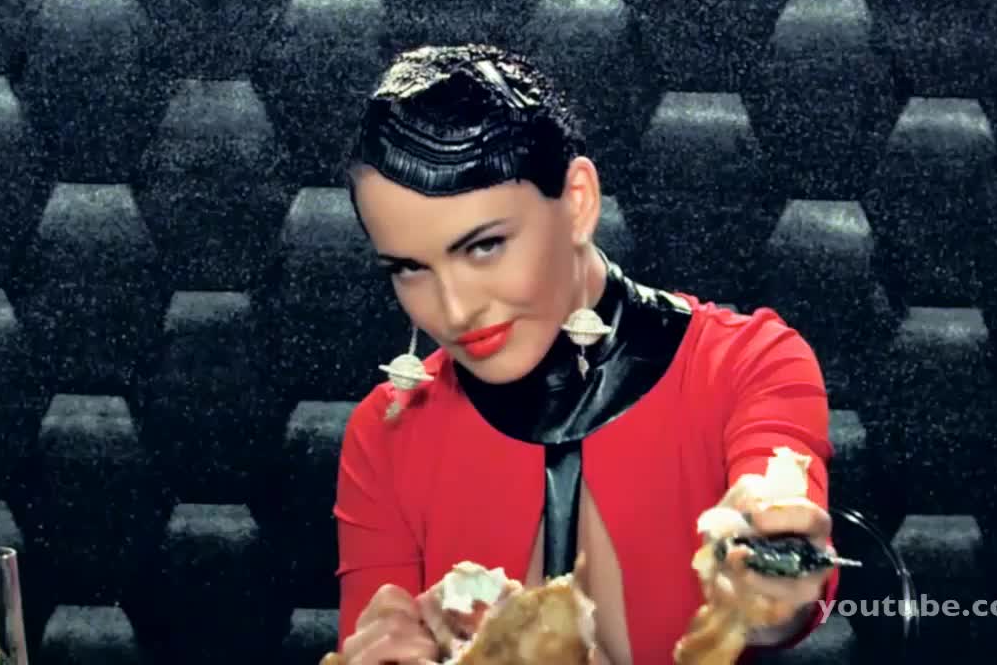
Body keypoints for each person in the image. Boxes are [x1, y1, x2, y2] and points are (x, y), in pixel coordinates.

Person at [330, 43, 839, 665]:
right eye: (409, 268)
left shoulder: (746, 364)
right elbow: (371, 638)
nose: (455, 311)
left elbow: (785, 548)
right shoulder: (385, 433)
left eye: (484, 246)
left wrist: (773, 564)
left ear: (577, 202)